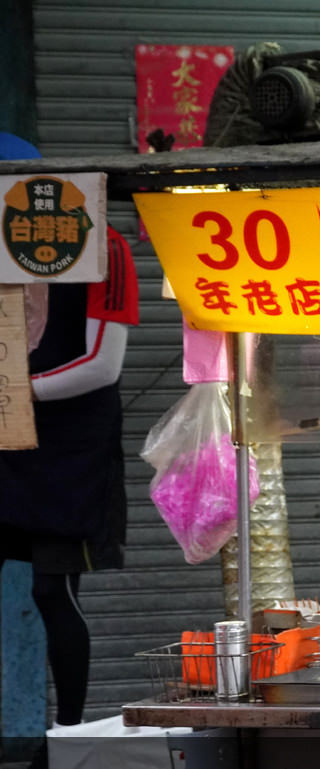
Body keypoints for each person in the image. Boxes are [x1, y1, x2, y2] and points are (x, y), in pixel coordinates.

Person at [0, 186, 138, 746]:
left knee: (53, 590)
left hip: (71, 443)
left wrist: (14, 390)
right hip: (6, 421)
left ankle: (68, 736)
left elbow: (101, 365)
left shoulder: (103, 246)